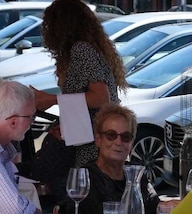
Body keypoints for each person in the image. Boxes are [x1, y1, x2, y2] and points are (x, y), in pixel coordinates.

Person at [33, 0, 126, 169]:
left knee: (83, 188)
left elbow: (101, 98)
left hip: (92, 144)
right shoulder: (81, 50)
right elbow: (82, 101)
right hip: (88, 138)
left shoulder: (81, 50)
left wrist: (52, 99)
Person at [73, 103, 159, 214]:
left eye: (125, 137)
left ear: (131, 143)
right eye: (111, 135)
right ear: (98, 140)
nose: (118, 142)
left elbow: (156, 208)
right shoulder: (86, 177)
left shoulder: (137, 175)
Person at [0, 81, 38, 214]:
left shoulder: (4, 152)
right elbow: (15, 210)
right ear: (13, 122)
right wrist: (35, 209)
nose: (32, 122)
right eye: (31, 117)